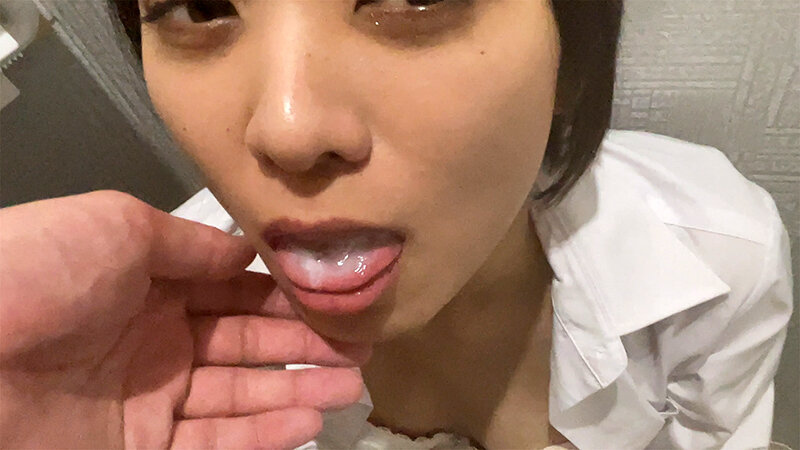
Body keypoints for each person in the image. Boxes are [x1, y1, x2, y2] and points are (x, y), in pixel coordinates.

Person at [0, 0, 792, 448]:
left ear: (571, 54)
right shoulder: (116, 367)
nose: (288, 129)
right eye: (203, 4)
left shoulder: (716, 259)